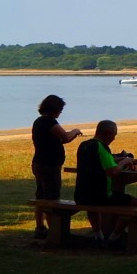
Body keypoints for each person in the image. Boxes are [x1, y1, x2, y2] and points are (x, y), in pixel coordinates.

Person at [74, 120, 137, 247]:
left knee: (92, 207)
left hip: (81, 196)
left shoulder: (84, 145)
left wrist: (118, 159)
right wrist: (124, 162)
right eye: (114, 135)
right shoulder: (102, 146)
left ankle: (98, 236)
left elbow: (99, 161)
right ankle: (114, 237)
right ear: (108, 134)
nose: (114, 138)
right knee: (136, 204)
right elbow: (113, 172)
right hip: (101, 196)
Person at [31, 94, 83, 239]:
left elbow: (59, 140)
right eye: (60, 109)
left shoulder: (39, 121)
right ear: (55, 109)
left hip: (39, 162)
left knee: (41, 194)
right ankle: (54, 230)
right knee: (51, 197)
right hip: (49, 165)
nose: (61, 112)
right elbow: (65, 137)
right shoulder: (49, 121)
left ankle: (40, 227)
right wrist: (75, 131)